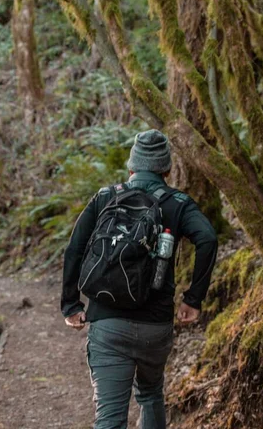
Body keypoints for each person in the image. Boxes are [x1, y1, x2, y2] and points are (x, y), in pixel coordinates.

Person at [61, 129, 218, 429]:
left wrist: (71, 304)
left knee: (110, 419)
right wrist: (192, 298)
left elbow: (75, 248)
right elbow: (208, 238)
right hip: (155, 325)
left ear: (131, 167)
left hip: (107, 323)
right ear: (167, 170)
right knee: (149, 394)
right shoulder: (179, 203)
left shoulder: (106, 197)